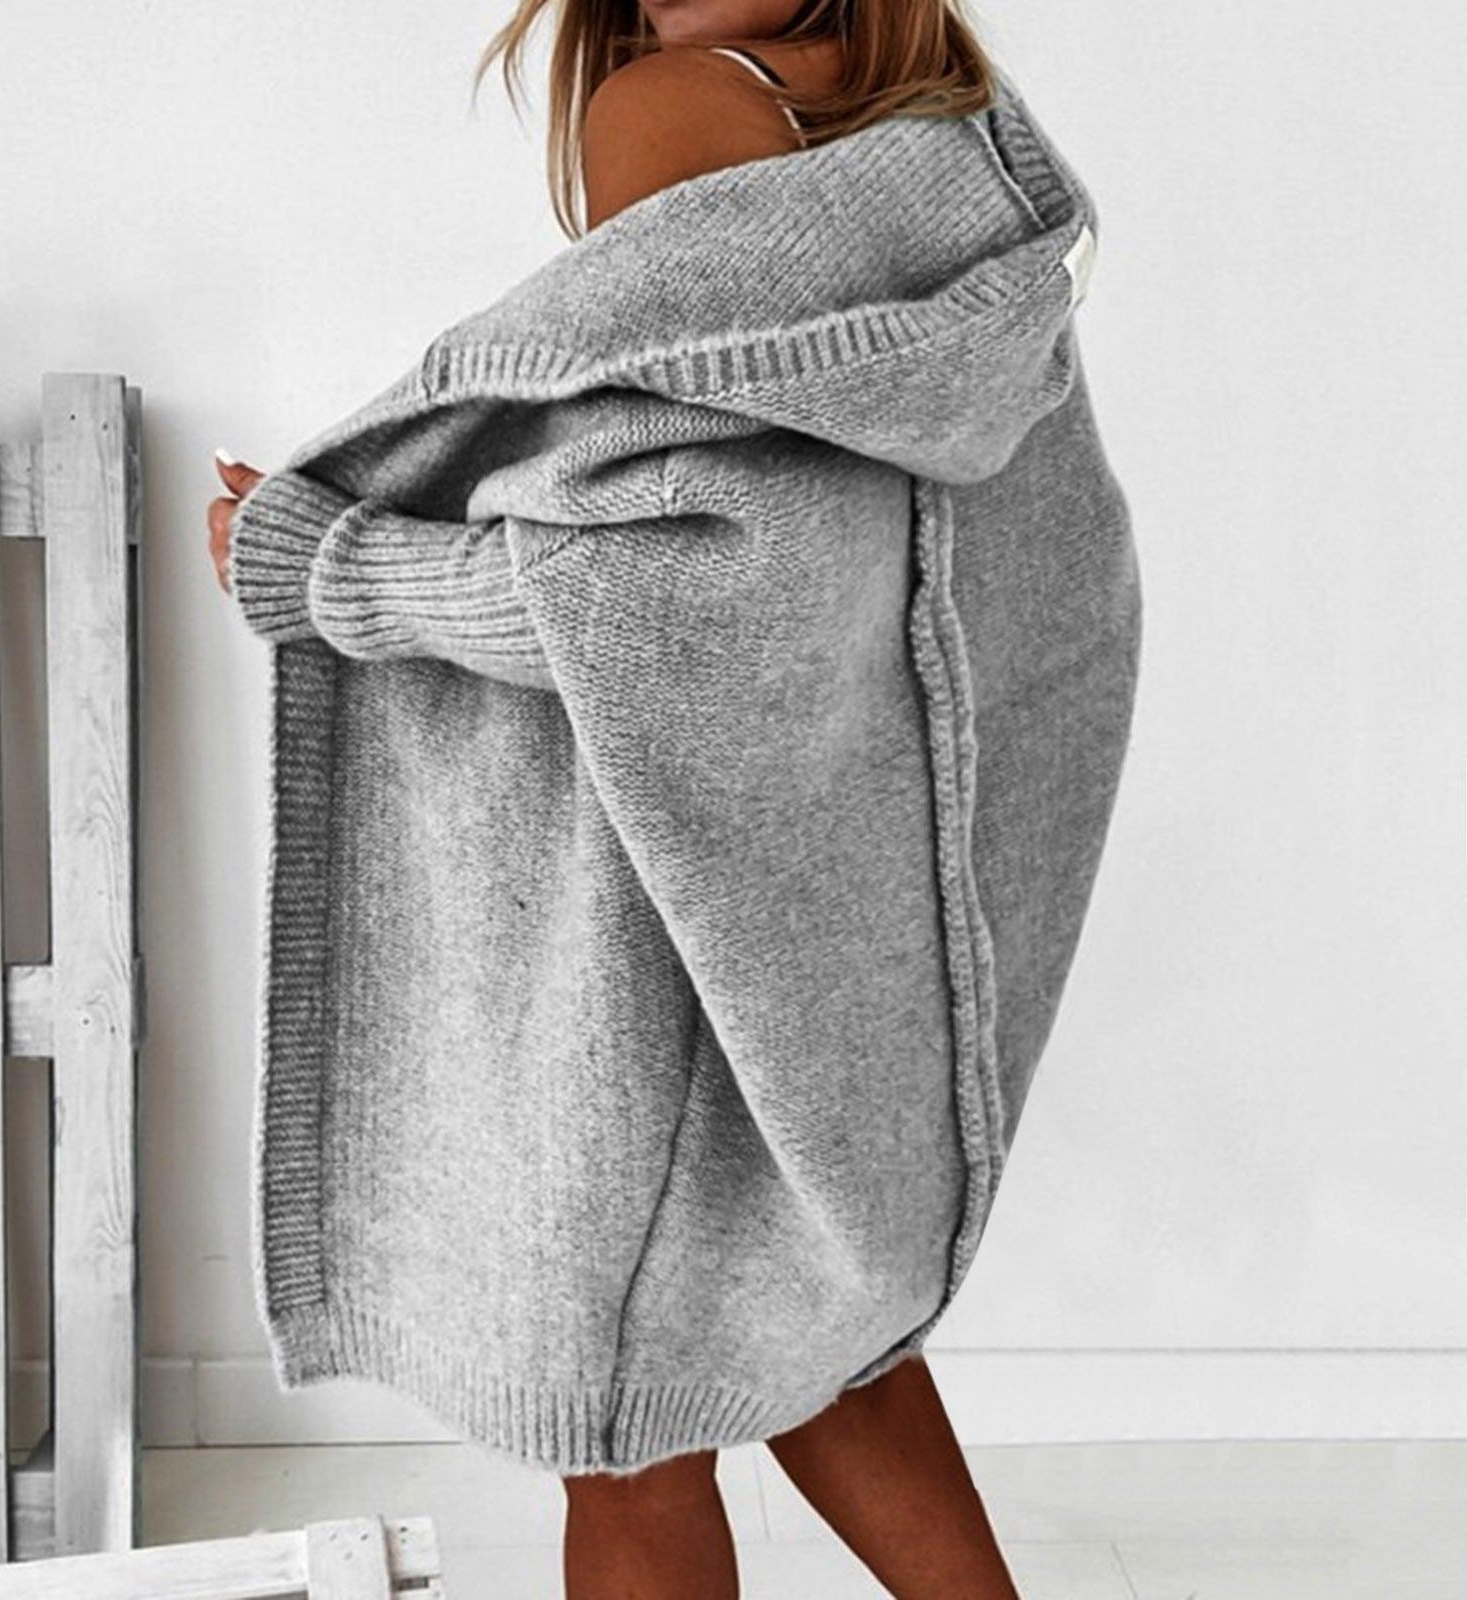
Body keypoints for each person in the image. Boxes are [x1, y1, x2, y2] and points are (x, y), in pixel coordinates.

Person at [208, 5, 1028, 1596]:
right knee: (813, 1334)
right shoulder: (953, 158)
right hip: (831, 860)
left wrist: (329, 567)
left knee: (624, 1418)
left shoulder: (676, 104)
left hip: (660, 892)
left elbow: (685, 590)